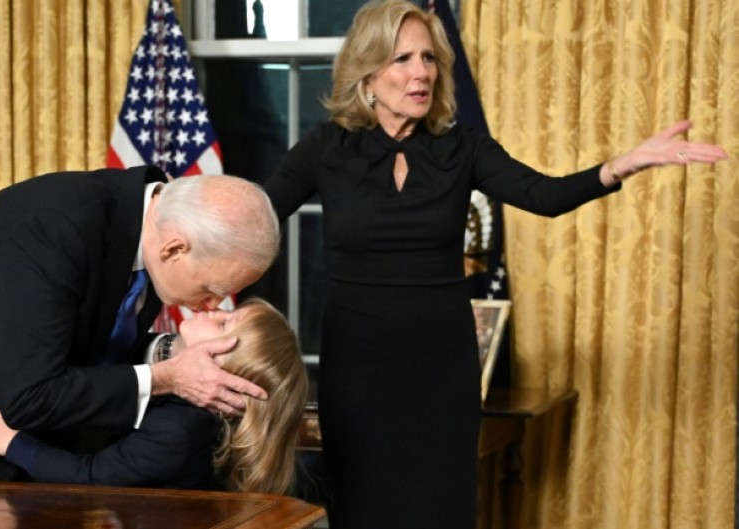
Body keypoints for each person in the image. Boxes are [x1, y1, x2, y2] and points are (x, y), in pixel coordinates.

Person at [261, 1, 729, 528]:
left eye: (430, 58)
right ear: (367, 74)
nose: (422, 72)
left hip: (443, 370)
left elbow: (544, 195)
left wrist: (622, 165)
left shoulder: (461, 148)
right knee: (362, 510)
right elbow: (256, 215)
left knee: (441, 509)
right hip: (359, 372)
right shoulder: (326, 148)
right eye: (403, 59)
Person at [0, 166, 280, 480]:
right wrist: (166, 378)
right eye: (210, 288)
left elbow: (89, 337)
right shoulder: (58, 228)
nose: (211, 305)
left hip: (7, 415)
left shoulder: (145, 228)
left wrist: (167, 355)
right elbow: (31, 396)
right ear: (175, 249)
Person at [0, 298, 308, 494]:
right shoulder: (182, 407)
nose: (214, 308)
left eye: (224, 324)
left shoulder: (180, 430)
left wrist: (11, 443)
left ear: (222, 369)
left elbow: (90, 476)